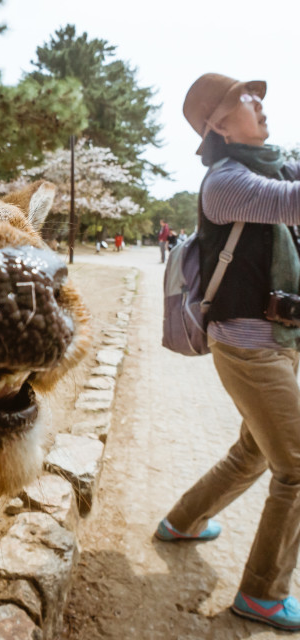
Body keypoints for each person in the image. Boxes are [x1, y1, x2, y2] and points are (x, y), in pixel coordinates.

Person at [155, 72, 300, 632]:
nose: (260, 102)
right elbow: (292, 202)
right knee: (296, 466)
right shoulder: (226, 181)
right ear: (217, 124)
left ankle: (183, 522)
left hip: (278, 343)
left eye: (258, 94)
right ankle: (263, 594)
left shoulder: (272, 163)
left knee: (256, 451)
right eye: (246, 97)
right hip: (248, 348)